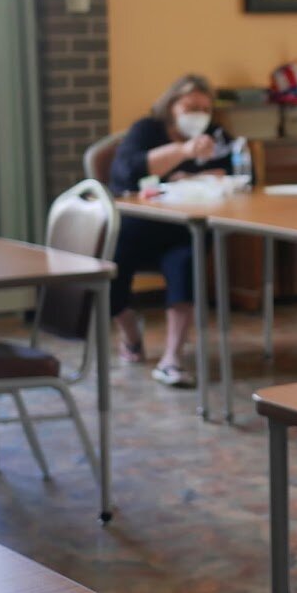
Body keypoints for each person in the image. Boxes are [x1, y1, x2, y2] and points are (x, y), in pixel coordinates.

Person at [107, 74, 233, 387]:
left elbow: (236, 171)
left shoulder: (216, 135)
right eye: (191, 106)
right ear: (172, 105)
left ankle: (172, 358)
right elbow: (130, 170)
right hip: (138, 225)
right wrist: (185, 151)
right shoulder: (146, 130)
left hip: (184, 229)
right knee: (110, 262)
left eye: (205, 108)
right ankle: (131, 334)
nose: (199, 115)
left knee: (186, 263)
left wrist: (201, 178)